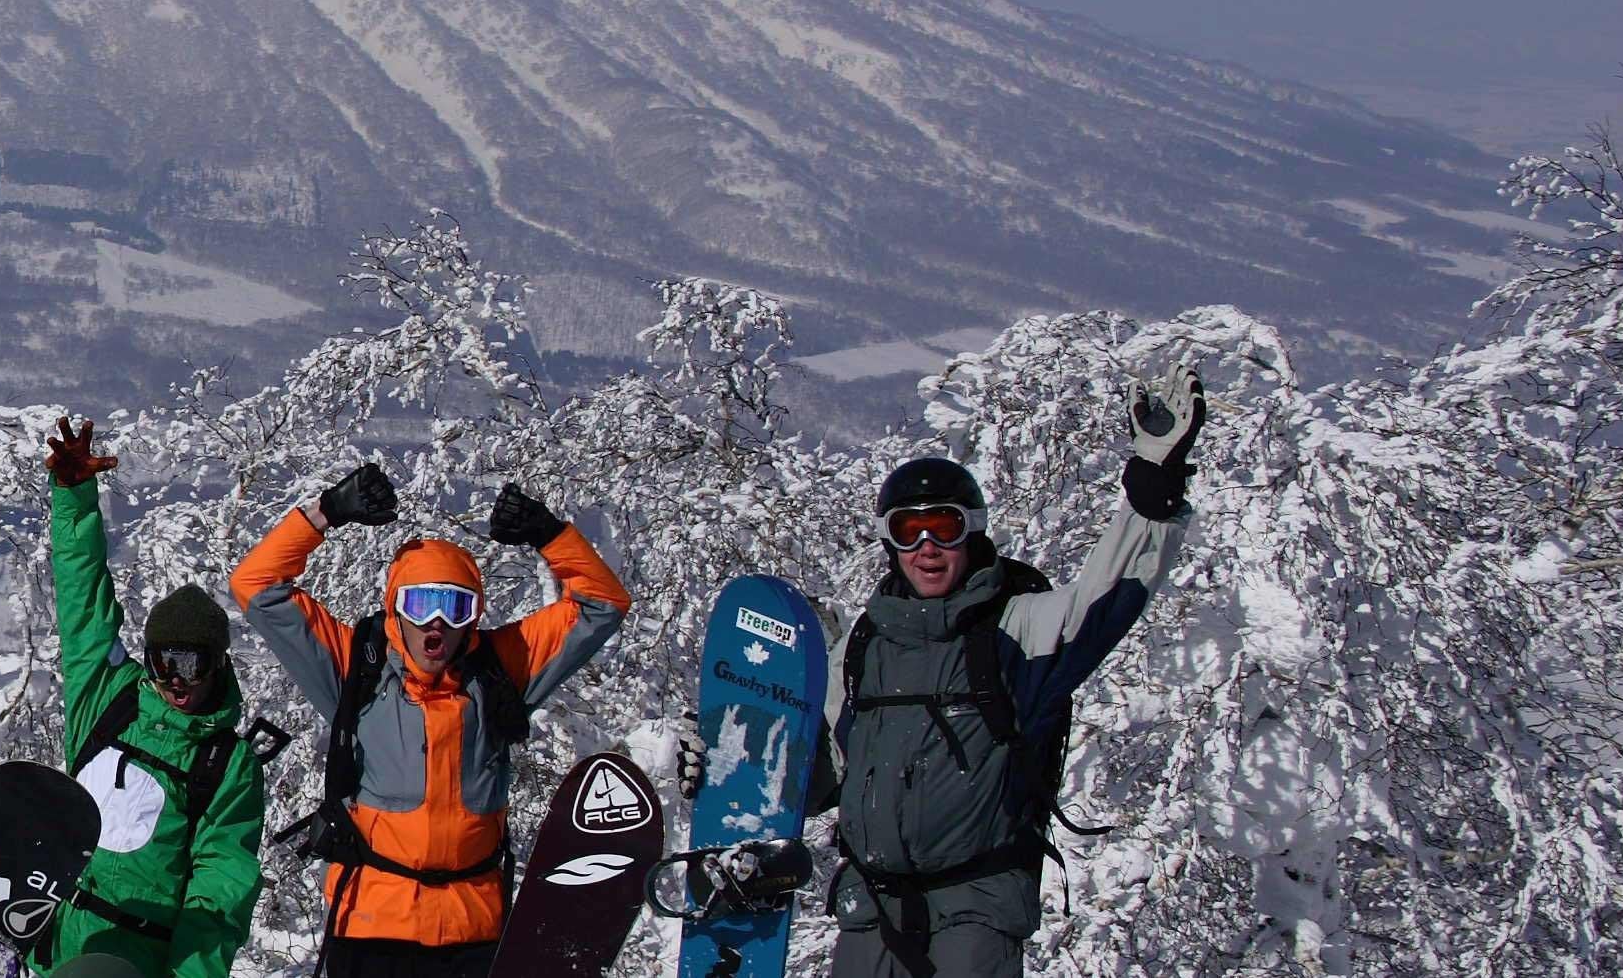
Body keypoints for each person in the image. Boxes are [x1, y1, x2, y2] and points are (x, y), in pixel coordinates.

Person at [677, 366, 1206, 978]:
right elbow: (819, 778)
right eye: (908, 529)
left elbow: (1104, 598)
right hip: (872, 905)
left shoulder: (1017, 628)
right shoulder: (863, 645)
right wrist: (723, 752)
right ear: (890, 542)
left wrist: (1153, 488)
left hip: (975, 909)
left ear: (971, 531)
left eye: (944, 525)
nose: (927, 544)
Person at [230, 462, 632, 978]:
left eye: (455, 606)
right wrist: (324, 513)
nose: (436, 622)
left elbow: (603, 605)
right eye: (420, 603)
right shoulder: (357, 669)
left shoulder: (502, 672)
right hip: (373, 929)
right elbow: (255, 584)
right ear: (395, 609)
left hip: (474, 933)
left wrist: (551, 536)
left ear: (476, 614)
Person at [36, 416, 266, 978]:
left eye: (195, 663)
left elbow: (218, 894)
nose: (178, 680)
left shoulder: (224, 763)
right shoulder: (109, 697)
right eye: (165, 662)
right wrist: (73, 497)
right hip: (53, 949)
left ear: (218, 664)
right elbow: (82, 598)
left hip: (135, 964)